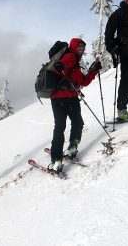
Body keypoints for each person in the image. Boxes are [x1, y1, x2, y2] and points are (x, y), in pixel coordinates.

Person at [48, 38, 101, 173]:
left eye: (83, 48)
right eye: (79, 47)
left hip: (71, 98)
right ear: (73, 46)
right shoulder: (70, 57)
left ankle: (65, 153)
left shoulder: (76, 63)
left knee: (74, 123)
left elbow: (83, 81)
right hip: (60, 99)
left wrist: (94, 70)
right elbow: (59, 66)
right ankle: (57, 159)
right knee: (62, 127)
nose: (82, 50)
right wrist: (59, 66)